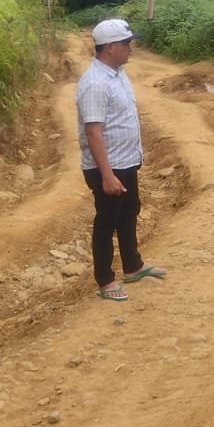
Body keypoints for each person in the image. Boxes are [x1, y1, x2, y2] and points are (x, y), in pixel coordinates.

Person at [76, 18, 167, 301]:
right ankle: (105, 280)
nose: (132, 47)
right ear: (111, 47)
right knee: (106, 221)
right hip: (108, 166)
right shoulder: (95, 83)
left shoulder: (116, 73)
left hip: (125, 161)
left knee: (129, 212)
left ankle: (133, 266)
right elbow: (93, 133)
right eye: (127, 43)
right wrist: (107, 175)